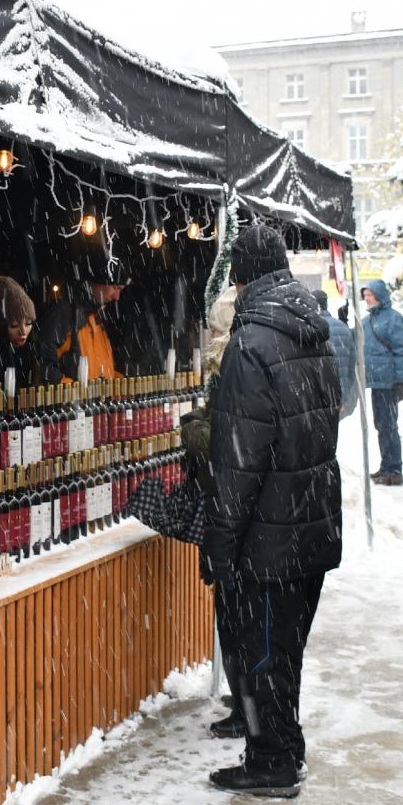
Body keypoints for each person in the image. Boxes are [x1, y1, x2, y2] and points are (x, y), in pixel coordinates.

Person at [202, 225, 342, 798]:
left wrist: (220, 541)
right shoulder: (312, 330)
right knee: (285, 651)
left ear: (240, 276)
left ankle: (270, 760)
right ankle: (285, 745)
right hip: (310, 522)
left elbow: (239, 463)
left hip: (269, 534)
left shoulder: (251, 342)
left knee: (260, 655)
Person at [177, 285, 245, 738]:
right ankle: (248, 704)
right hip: (247, 510)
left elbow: (225, 443)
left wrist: (193, 426)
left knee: (237, 611)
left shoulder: (231, 366)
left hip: (232, 508)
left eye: (213, 326)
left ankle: (248, 710)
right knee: (242, 612)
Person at [33, 260, 126, 383]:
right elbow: (43, 367)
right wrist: (74, 393)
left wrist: (120, 384)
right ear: (96, 282)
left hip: (95, 401)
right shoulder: (65, 312)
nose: (117, 296)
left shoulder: (96, 316)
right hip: (75, 401)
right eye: (115, 288)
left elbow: (100, 371)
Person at [360, 279, 403, 485]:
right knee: (381, 425)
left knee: (389, 426)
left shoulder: (394, 319)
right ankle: (385, 466)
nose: (366, 298)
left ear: (380, 296)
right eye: (365, 295)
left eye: (370, 295)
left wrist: (401, 380)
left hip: (389, 383)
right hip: (376, 382)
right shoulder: (365, 321)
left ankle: (394, 470)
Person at [312, 289, 358, 417]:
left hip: (318, 395)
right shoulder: (343, 328)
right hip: (339, 395)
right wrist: (345, 395)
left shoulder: (311, 328)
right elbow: (351, 366)